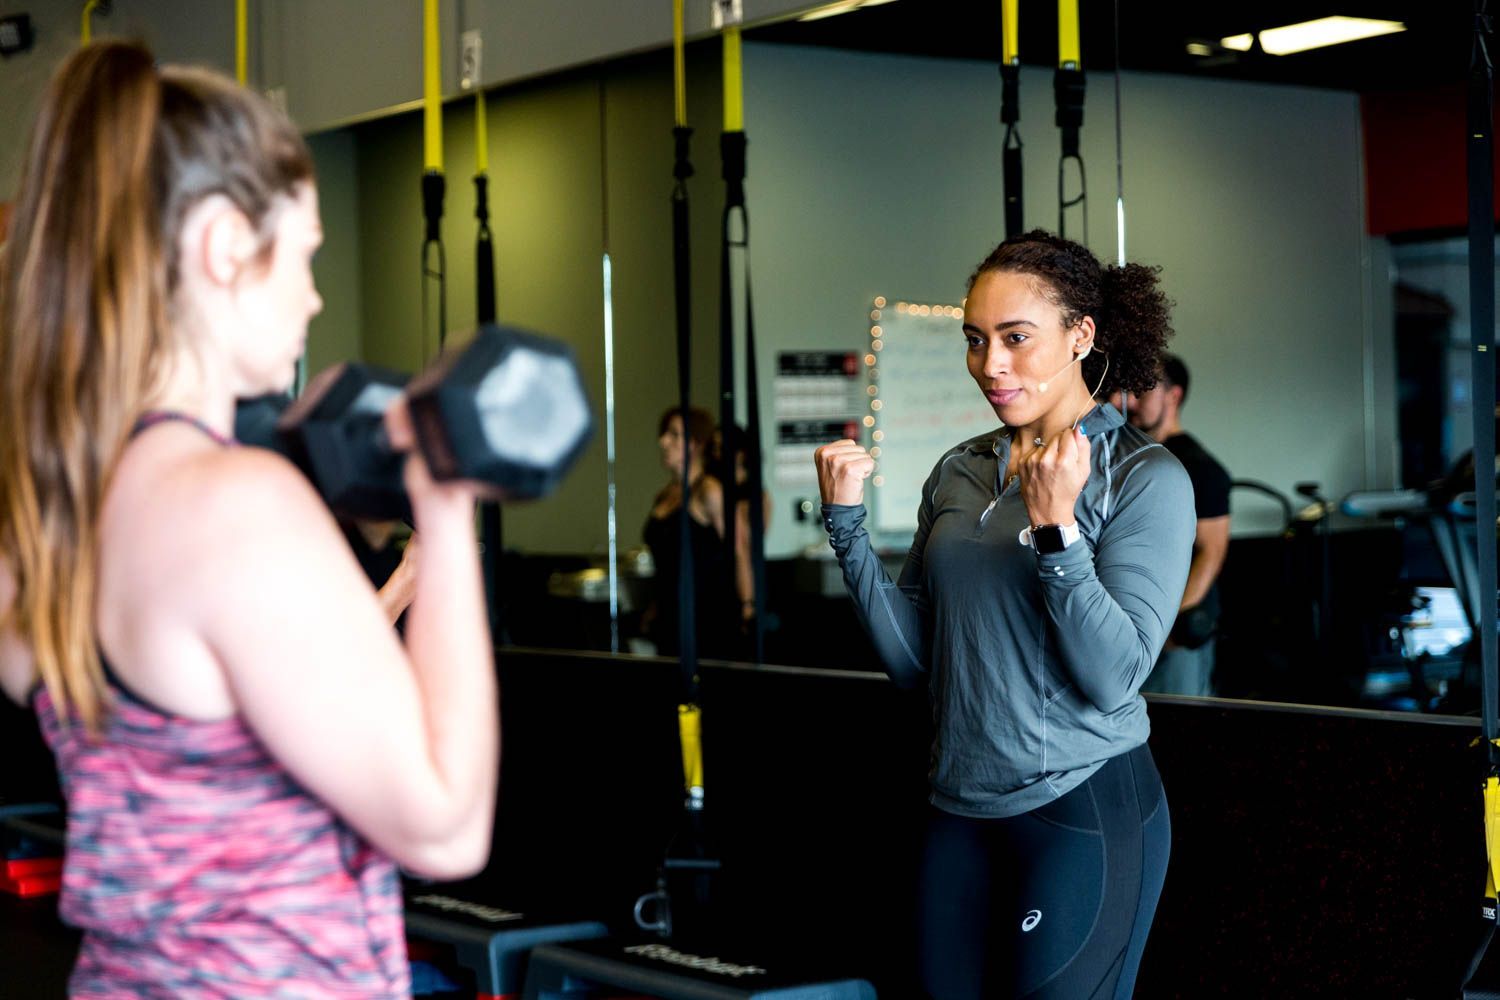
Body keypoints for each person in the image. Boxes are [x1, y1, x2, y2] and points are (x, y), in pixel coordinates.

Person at [0, 43, 498, 997]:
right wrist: (446, 505)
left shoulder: (44, 507)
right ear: (226, 245)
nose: (313, 295)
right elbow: (447, 824)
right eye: (304, 253)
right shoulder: (238, 505)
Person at [815, 230, 1194, 999]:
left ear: (1080, 336)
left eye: (1017, 339)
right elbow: (915, 664)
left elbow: (1114, 676)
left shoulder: (1143, 477)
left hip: (1080, 806)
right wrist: (846, 530)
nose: (991, 363)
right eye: (976, 340)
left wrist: (1057, 532)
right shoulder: (958, 468)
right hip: (957, 806)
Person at [1119, 355, 1232, 696]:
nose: (1132, 402)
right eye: (1129, 392)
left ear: (1174, 395)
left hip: (1174, 638)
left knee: (1177, 736)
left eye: (1143, 391)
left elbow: (1211, 552)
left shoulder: (1200, 467)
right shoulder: (1135, 458)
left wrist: (1166, 628)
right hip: (1132, 633)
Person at [641, 407, 745, 658]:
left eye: (674, 435)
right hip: (669, 617)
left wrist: (748, 609)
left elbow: (739, 551)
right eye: (665, 434)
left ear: (696, 444)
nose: (663, 442)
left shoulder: (709, 491)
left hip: (706, 617)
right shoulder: (664, 496)